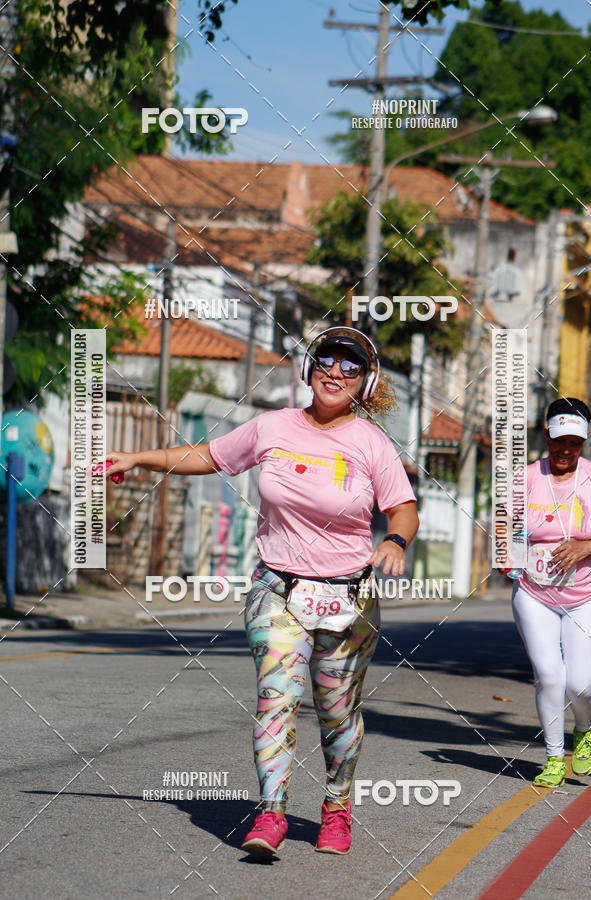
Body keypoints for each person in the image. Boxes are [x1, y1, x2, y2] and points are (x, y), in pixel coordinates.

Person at [103, 326, 418, 856]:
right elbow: (208, 456)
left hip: (348, 598)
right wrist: (139, 459)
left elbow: (403, 507)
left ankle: (336, 810)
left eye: (350, 367)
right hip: (277, 589)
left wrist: (394, 542)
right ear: (307, 368)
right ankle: (270, 813)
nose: (334, 372)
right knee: (277, 700)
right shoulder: (272, 426)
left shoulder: (372, 443)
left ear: (366, 382)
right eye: (325, 361)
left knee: (338, 712)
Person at [512, 397, 591, 787]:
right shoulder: (525, 478)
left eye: (575, 443)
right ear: (545, 434)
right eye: (559, 440)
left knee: (580, 683)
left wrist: (589, 545)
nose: (567, 450)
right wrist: (506, 554)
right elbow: (506, 528)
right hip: (534, 593)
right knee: (548, 675)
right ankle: (551, 757)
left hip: (586, 594)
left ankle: (585, 728)